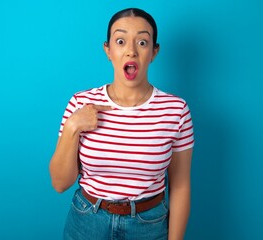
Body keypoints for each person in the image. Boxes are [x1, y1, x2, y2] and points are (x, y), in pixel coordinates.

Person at [49, 8, 194, 240]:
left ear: (154, 52)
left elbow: (180, 186)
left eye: (143, 42)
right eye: (120, 41)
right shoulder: (80, 103)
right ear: (108, 50)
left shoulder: (176, 110)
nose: (131, 51)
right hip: (87, 221)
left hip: (148, 225)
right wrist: (72, 126)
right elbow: (59, 183)